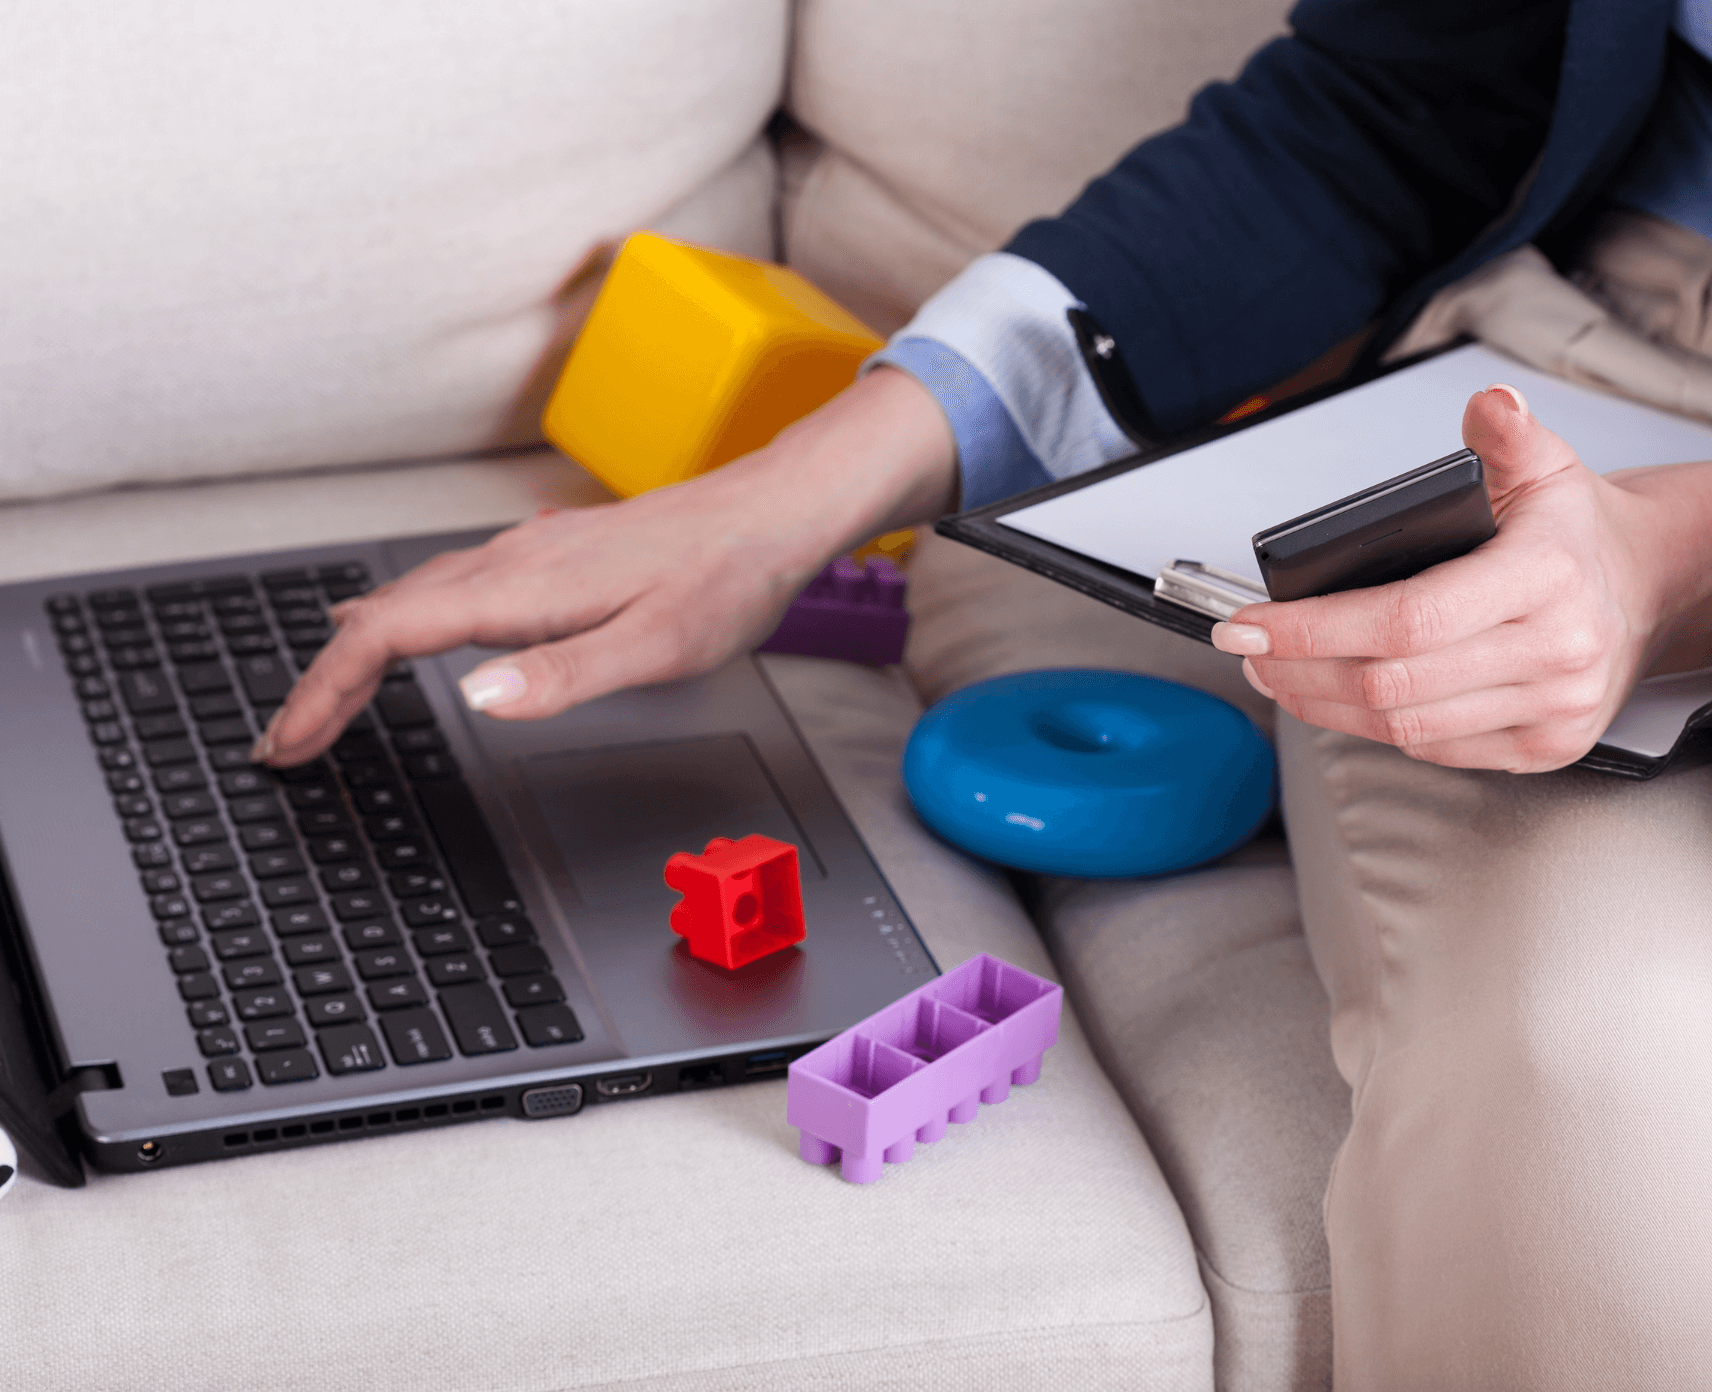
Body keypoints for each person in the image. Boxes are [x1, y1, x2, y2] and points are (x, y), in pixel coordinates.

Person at [259, 0, 1712, 1385]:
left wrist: (1674, 563)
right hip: (1601, 356)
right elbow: (1391, 115)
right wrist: (779, 503)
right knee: (1598, 1072)